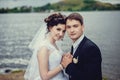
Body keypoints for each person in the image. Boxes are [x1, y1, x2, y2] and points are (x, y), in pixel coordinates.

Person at [24, 13, 68, 80]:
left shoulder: (54, 44)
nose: (61, 34)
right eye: (58, 29)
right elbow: (44, 77)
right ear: (50, 27)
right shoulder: (44, 48)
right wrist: (62, 66)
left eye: (64, 31)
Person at [61, 13, 102, 80]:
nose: (72, 30)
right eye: (68, 27)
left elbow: (91, 77)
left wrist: (68, 66)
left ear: (82, 27)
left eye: (75, 26)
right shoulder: (75, 45)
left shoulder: (91, 48)